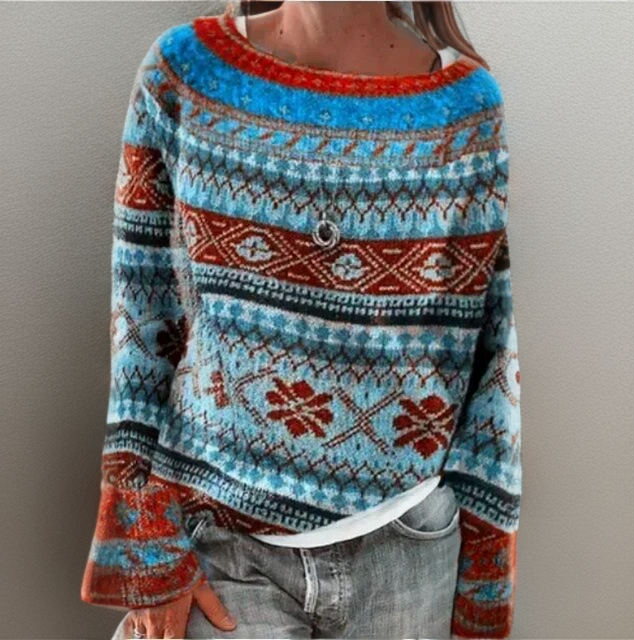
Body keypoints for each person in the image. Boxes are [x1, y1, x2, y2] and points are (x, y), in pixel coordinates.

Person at [80, 1, 522, 638]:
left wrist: (485, 580)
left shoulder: (464, 108)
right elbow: (142, 321)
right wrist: (146, 549)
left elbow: (491, 358)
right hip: (223, 550)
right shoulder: (184, 73)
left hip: (408, 551)